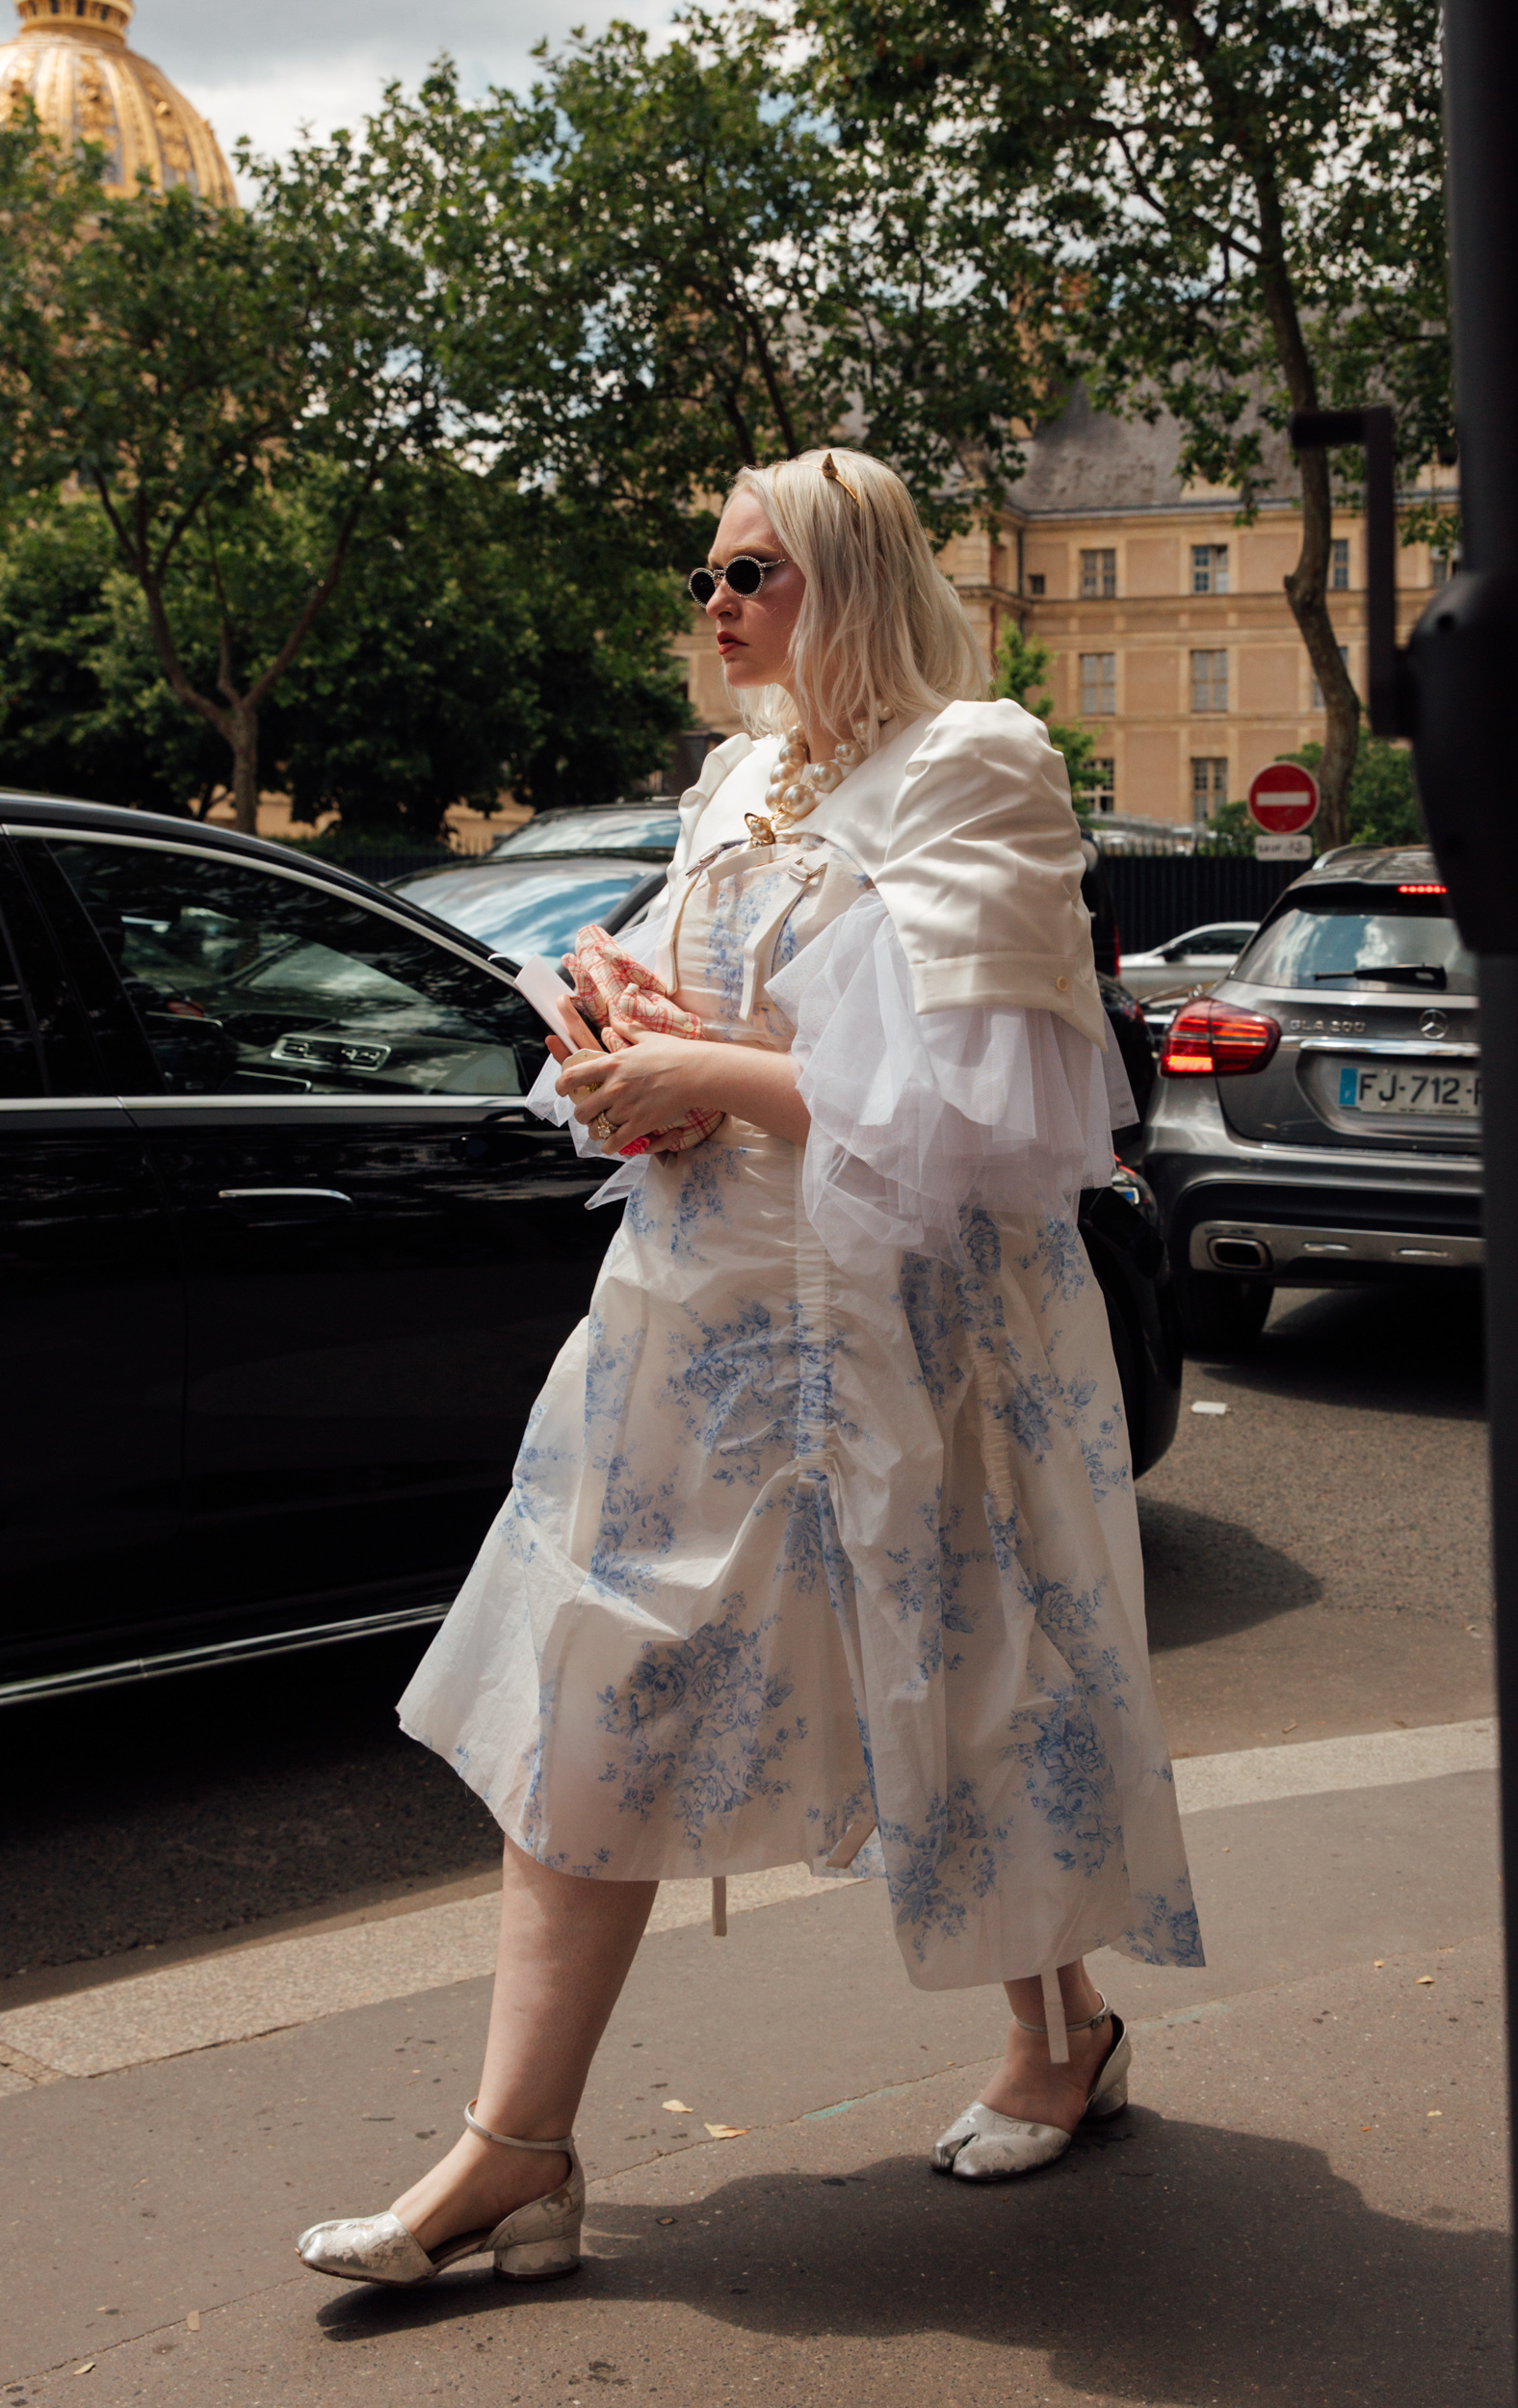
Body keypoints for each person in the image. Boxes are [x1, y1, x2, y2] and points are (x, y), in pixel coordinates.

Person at [295, 448, 1202, 2290]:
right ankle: (515, 2153)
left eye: (750, 572)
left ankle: (1061, 2033)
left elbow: (1002, 1113)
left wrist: (709, 1078)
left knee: (971, 1690)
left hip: (914, 1338)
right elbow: (748, 1027)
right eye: (703, 572)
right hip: (692, 1325)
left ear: (852, 576)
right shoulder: (733, 778)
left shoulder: (978, 764)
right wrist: (631, 1038)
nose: (713, 605)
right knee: (592, 1698)